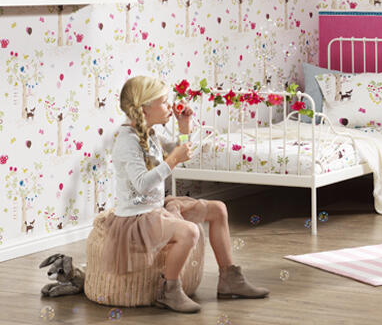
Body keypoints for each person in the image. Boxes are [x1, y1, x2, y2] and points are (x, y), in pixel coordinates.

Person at [100, 75, 269, 313]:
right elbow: (142, 185)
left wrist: (184, 128)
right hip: (136, 218)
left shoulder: (149, 134)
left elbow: (180, 151)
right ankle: (169, 291)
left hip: (155, 208)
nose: (170, 106)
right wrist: (172, 160)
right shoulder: (128, 142)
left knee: (218, 209)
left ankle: (230, 278)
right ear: (144, 108)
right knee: (189, 231)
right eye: (164, 102)